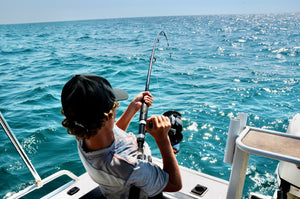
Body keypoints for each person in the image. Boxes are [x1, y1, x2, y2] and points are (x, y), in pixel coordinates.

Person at [61, 74, 182, 199]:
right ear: (108, 116)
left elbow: (111, 132)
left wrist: (133, 108)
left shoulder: (83, 131)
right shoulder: (128, 166)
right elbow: (174, 184)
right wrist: (162, 139)